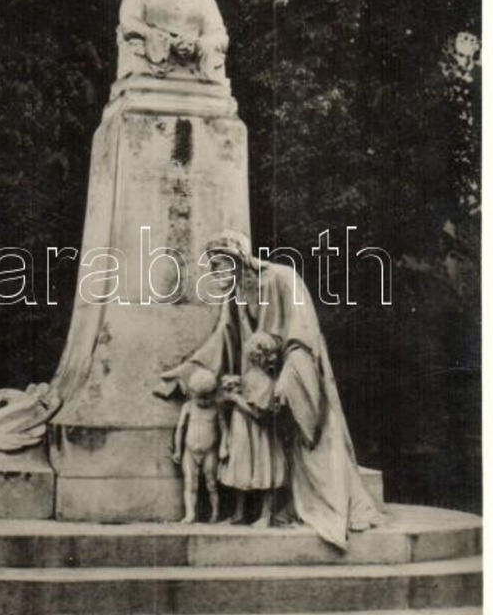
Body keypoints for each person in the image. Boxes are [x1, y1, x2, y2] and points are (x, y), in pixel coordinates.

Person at [157, 230, 382, 550]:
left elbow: (303, 336)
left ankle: (295, 502)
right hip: (256, 387)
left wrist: (287, 379)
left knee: (313, 461)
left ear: (239, 260)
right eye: (212, 269)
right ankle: (250, 508)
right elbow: (225, 338)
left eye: (220, 266)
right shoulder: (235, 295)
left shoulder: (282, 279)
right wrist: (186, 371)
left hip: (287, 379)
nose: (215, 275)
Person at [219, 331, 287, 527]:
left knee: (264, 469)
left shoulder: (265, 380)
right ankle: (239, 513)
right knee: (241, 468)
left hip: (258, 432)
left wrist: (236, 399)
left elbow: (259, 413)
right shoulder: (250, 375)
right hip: (243, 430)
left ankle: (266, 515)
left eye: (257, 352)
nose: (252, 355)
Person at [172, 367, 223, 524]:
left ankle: (215, 513)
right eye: (199, 398)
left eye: (207, 398)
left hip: (210, 451)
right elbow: (180, 428)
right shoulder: (188, 407)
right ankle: (190, 514)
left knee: (212, 483)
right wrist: (178, 450)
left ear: (213, 394)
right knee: (190, 483)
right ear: (192, 394)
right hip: (190, 450)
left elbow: (224, 430)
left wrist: (224, 447)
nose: (203, 401)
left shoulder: (216, 408)